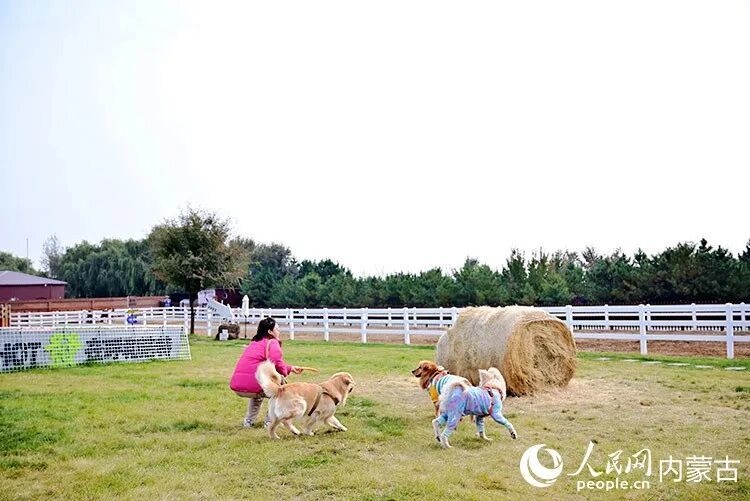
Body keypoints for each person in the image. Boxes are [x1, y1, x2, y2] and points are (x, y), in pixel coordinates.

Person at [229, 317, 303, 427]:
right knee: (281, 390)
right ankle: (269, 422)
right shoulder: (272, 342)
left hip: (239, 386)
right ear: (270, 331)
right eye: (277, 329)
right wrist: (284, 372)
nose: (279, 331)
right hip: (254, 385)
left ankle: (248, 421)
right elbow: (276, 362)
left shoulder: (254, 342)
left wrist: (290, 368)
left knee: (259, 393)